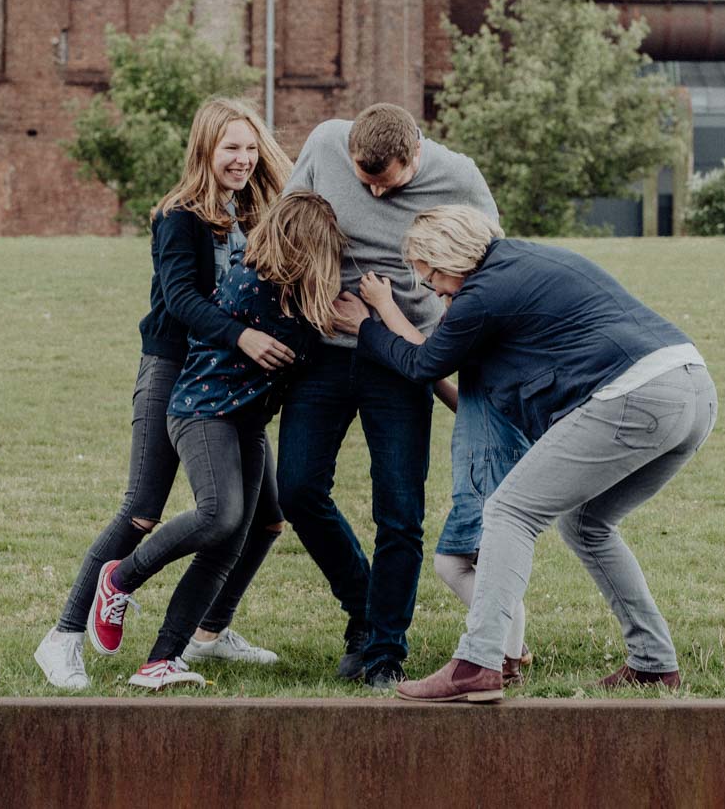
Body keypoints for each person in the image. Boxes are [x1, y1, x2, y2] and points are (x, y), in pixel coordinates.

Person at [334, 205, 718, 703]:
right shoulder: (527, 264)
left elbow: (424, 363)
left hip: (634, 395)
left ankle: (479, 661)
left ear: (448, 258)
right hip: (692, 388)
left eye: (432, 279)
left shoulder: (484, 293)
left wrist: (367, 326)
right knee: (587, 524)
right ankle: (652, 663)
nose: (436, 292)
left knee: (509, 511)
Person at [34, 98, 295, 690]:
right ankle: (63, 637)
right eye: (231, 147)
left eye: (250, 148)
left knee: (265, 519)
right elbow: (180, 300)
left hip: (230, 383)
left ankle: (208, 632)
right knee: (142, 510)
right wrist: (244, 336)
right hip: (173, 370)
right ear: (205, 148)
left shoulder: (250, 213)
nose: (243, 159)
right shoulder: (180, 216)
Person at [276, 103, 497, 688]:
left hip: (401, 354)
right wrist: (306, 291)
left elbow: (487, 269)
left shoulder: (459, 178)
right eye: (362, 180)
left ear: (415, 155)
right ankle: (364, 609)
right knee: (295, 489)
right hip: (323, 349)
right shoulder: (324, 143)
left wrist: (436, 337)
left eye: (387, 183)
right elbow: (290, 223)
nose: (372, 196)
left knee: (399, 511)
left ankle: (383, 652)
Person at [90, 191, 347, 690]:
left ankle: (162, 660)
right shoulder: (257, 288)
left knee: (235, 538)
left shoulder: (289, 293)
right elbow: (301, 352)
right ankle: (118, 579)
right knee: (219, 514)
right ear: (305, 249)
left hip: (243, 422)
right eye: (326, 252)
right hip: (204, 413)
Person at [351, 294, 535, 685]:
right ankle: (510, 649)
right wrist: (434, 382)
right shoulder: (489, 364)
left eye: (448, 296)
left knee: (479, 568)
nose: (443, 303)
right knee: (455, 564)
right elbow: (464, 401)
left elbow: (425, 353)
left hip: (487, 470)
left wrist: (384, 309)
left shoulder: (492, 347)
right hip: (478, 470)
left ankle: (508, 658)